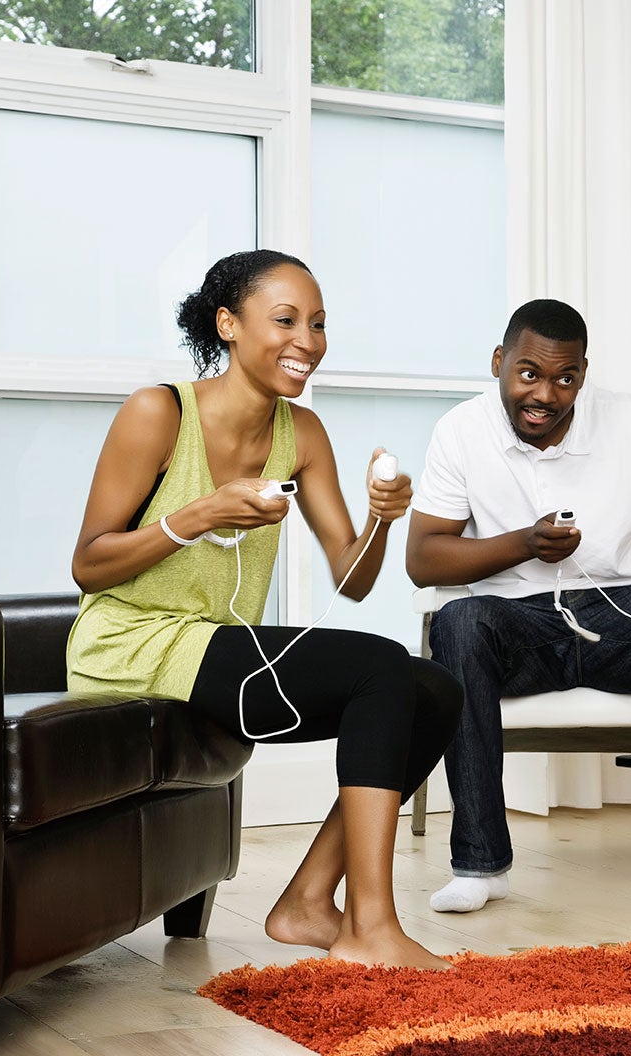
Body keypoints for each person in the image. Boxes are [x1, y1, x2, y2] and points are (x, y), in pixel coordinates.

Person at [66, 248, 461, 970]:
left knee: (434, 688)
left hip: (210, 647)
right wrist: (199, 514)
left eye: (318, 323)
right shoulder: (159, 412)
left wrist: (381, 520)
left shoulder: (301, 434)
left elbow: (353, 577)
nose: (306, 340)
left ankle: (308, 903)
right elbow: (88, 563)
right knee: (379, 666)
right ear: (228, 324)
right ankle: (372, 926)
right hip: (130, 645)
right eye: (285, 320)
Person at [405, 298, 631, 919]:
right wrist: (523, 544)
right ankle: (480, 864)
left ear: (582, 375)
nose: (545, 394)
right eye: (528, 373)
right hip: (518, 620)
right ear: (498, 363)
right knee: (459, 622)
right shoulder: (461, 431)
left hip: (625, 613)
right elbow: (423, 559)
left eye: (565, 378)